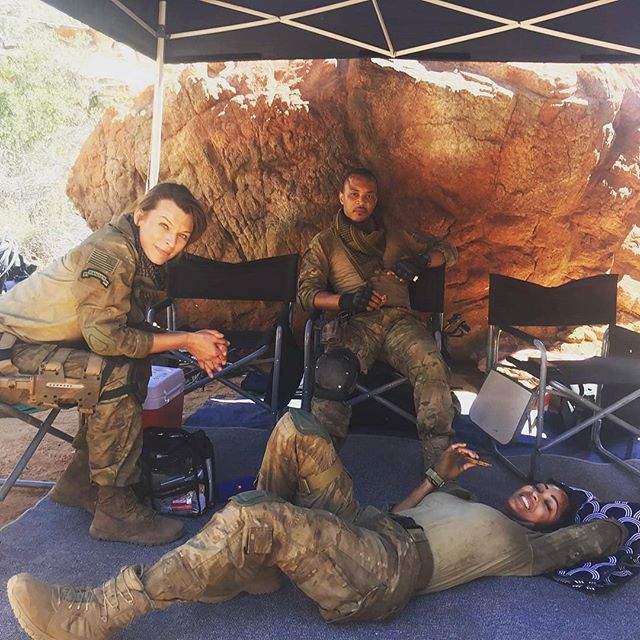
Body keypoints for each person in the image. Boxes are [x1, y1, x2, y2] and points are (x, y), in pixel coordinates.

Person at [6, 409, 627, 639]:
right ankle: (254, 559)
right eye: (540, 488)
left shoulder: (520, 548)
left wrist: (619, 527)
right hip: (372, 526)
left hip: (386, 574)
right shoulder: (471, 502)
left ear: (546, 526)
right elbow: (404, 512)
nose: (537, 495)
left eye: (549, 503)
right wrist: (437, 478)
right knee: (297, 428)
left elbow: (592, 537)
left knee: (261, 518)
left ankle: (98, 614)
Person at [0, 182, 229, 545]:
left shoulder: (138, 253)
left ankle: (80, 481)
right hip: (9, 352)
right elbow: (106, 339)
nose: (171, 241)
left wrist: (193, 339)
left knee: (131, 365)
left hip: (31, 345)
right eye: (164, 225)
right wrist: (187, 341)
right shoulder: (112, 252)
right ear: (140, 216)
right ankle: (114, 511)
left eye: (182, 236)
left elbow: (126, 329)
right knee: (113, 374)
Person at [297, 167, 459, 473]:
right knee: (332, 372)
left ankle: (440, 473)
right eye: (354, 195)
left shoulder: (396, 234)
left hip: (400, 323)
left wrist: (421, 261)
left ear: (376, 200)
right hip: (355, 324)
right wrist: (345, 300)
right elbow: (306, 294)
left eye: (369, 196)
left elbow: (449, 251)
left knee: (432, 365)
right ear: (341, 197)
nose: (361, 202)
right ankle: (317, 473)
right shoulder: (325, 242)